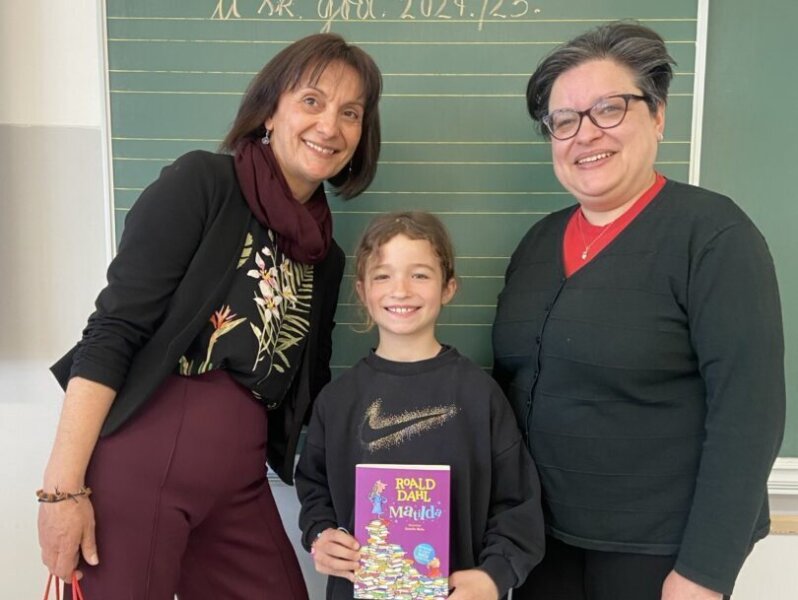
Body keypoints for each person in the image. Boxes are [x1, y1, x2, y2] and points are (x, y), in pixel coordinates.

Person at [38, 33, 382, 599]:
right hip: (141, 464)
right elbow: (114, 329)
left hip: (241, 478)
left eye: (351, 113)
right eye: (312, 101)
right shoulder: (203, 184)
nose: (330, 126)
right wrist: (61, 490)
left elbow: (312, 388)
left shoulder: (327, 256)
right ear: (270, 110)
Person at [492, 20, 785, 600]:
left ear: (657, 116)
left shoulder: (714, 236)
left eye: (609, 109)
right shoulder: (537, 243)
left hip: (659, 555)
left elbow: (748, 415)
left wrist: (704, 573)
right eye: (564, 120)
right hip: (539, 545)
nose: (585, 134)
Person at [295, 212, 545, 599]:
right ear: (362, 290)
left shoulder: (480, 395)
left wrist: (494, 575)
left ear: (448, 287)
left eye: (420, 275)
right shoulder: (337, 400)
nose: (401, 290)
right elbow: (314, 489)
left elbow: (516, 503)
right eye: (383, 276)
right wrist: (320, 535)